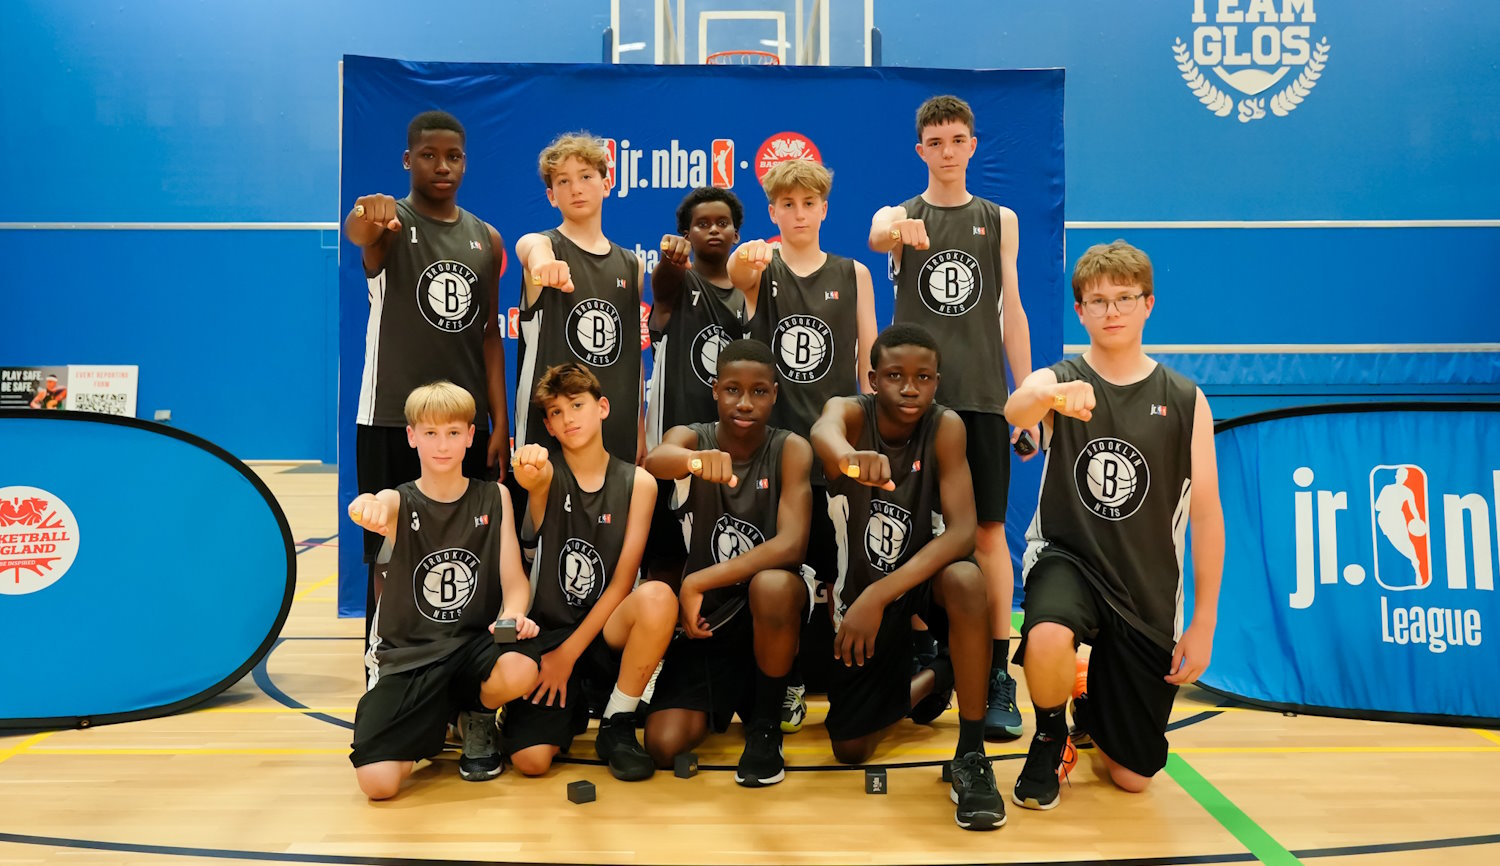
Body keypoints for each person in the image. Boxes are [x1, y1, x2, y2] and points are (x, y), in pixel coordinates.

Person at [1004, 240, 1224, 810]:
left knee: (1132, 776)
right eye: (1098, 301)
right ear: (1080, 311)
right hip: (1068, 557)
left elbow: (1206, 515)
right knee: (1046, 633)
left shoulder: (1185, 399)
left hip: (1144, 585)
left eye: (1125, 298)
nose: (1112, 311)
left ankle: (1087, 695)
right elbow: (1017, 409)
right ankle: (1050, 738)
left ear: (1148, 303)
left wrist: (1203, 622)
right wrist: (1048, 393)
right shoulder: (1062, 380)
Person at [869, 94, 1036, 741]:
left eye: (957, 140)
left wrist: (1025, 398)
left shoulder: (1000, 219)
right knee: (911, 532)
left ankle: (996, 673)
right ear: (921, 151)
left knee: (989, 534)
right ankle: (925, 655)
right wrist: (897, 229)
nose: (946, 151)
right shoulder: (900, 215)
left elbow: (1012, 310)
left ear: (973, 145)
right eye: (935, 142)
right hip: (915, 404)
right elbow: (878, 232)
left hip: (983, 399)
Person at [811, 324, 1005, 831]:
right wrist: (848, 457)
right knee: (850, 748)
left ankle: (971, 754)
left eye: (923, 377)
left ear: (937, 381)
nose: (910, 388)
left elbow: (962, 532)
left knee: (967, 580)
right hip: (859, 589)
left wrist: (880, 594)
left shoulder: (945, 426)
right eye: (895, 376)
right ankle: (938, 676)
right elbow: (824, 429)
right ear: (873, 379)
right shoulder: (852, 415)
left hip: (916, 583)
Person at [346, 110, 511, 689]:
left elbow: (489, 334)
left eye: (453, 156)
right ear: (407, 160)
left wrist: (498, 420)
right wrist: (366, 211)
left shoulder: (486, 237)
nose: (443, 165)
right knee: (388, 551)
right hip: (391, 418)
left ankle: (459, 674)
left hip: (463, 428)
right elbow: (360, 233)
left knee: (464, 552)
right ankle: (383, 672)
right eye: (429, 155)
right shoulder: (391, 223)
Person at [729, 158, 878, 732]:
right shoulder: (758, 266)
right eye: (787, 205)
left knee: (842, 576)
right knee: (783, 577)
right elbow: (738, 273)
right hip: (775, 454)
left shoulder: (854, 272)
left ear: (824, 209)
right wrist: (747, 257)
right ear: (772, 212)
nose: (798, 214)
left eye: (808, 203)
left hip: (838, 454)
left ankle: (847, 680)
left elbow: (868, 370)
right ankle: (785, 679)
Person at [346, 381, 539, 799]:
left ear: (470, 436)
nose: (442, 444)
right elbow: (378, 503)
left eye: (453, 432)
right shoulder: (400, 501)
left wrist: (514, 614)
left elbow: (514, 581)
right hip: (408, 658)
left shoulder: (495, 497)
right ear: (411, 436)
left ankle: (478, 714)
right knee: (378, 784)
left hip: (470, 647)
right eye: (430, 433)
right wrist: (367, 506)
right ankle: (437, 720)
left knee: (521, 667)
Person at [640, 339, 814, 787]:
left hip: (768, 612)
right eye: (733, 389)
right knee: (663, 745)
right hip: (709, 623)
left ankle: (766, 727)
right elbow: (657, 459)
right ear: (715, 389)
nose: (745, 402)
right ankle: (736, 696)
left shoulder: (791, 447)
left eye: (759, 391)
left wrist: (697, 580)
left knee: (772, 585)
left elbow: (792, 544)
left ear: (775, 394)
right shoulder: (694, 438)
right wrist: (694, 461)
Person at [503, 363, 677, 781]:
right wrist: (527, 463)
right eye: (557, 412)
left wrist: (569, 655)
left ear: (602, 407)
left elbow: (622, 583)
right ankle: (563, 711)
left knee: (657, 597)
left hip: (605, 631)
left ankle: (617, 720)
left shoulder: (639, 483)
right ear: (548, 426)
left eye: (577, 405)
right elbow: (533, 475)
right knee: (531, 761)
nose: (568, 418)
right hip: (549, 633)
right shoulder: (546, 476)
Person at [515, 133, 645, 465]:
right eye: (563, 181)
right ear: (551, 196)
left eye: (586, 177)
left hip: (616, 431)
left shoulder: (632, 265)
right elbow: (529, 248)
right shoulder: (544, 245)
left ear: (606, 184)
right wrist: (544, 265)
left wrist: (640, 427)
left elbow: (632, 354)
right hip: (548, 437)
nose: (576, 188)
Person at [643, 187, 747, 587]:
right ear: (687, 235)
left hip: (731, 449)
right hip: (672, 448)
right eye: (702, 224)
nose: (714, 230)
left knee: (723, 555)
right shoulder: (676, 285)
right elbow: (663, 283)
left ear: (737, 234)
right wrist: (671, 258)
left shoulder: (750, 293)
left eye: (723, 223)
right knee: (667, 562)